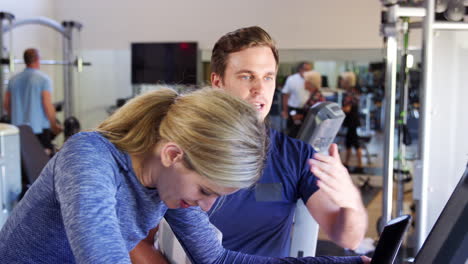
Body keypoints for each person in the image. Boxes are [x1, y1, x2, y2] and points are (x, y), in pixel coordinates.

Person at [0, 87, 368, 264]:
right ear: (173, 154)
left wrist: (345, 263)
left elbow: (219, 259)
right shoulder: (88, 157)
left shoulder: (168, 182)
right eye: (205, 190)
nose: (205, 207)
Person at [132, 26, 369, 262]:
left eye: (268, 77)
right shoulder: (178, 151)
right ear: (218, 81)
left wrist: (351, 200)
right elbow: (136, 240)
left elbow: (348, 238)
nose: (259, 89)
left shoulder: (294, 155)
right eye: (246, 76)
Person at [3, 48, 62, 153]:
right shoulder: (44, 79)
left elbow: (6, 104)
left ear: (25, 60)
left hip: (19, 130)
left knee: (25, 162)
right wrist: (54, 126)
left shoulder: (13, 80)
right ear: (38, 59)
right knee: (41, 162)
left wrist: (17, 116)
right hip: (39, 131)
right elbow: (47, 105)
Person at [281, 61, 313, 137]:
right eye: (305, 69)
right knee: (293, 131)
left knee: (306, 132)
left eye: (309, 70)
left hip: (307, 110)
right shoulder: (292, 79)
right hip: (293, 109)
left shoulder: (311, 79)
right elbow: (285, 95)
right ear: (300, 69)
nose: (307, 72)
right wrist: (285, 111)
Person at [341, 72, 364, 173]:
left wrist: (337, 109)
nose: (341, 82)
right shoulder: (353, 92)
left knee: (354, 142)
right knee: (350, 141)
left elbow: (347, 109)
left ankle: (359, 164)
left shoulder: (349, 93)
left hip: (351, 121)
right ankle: (347, 162)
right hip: (353, 120)